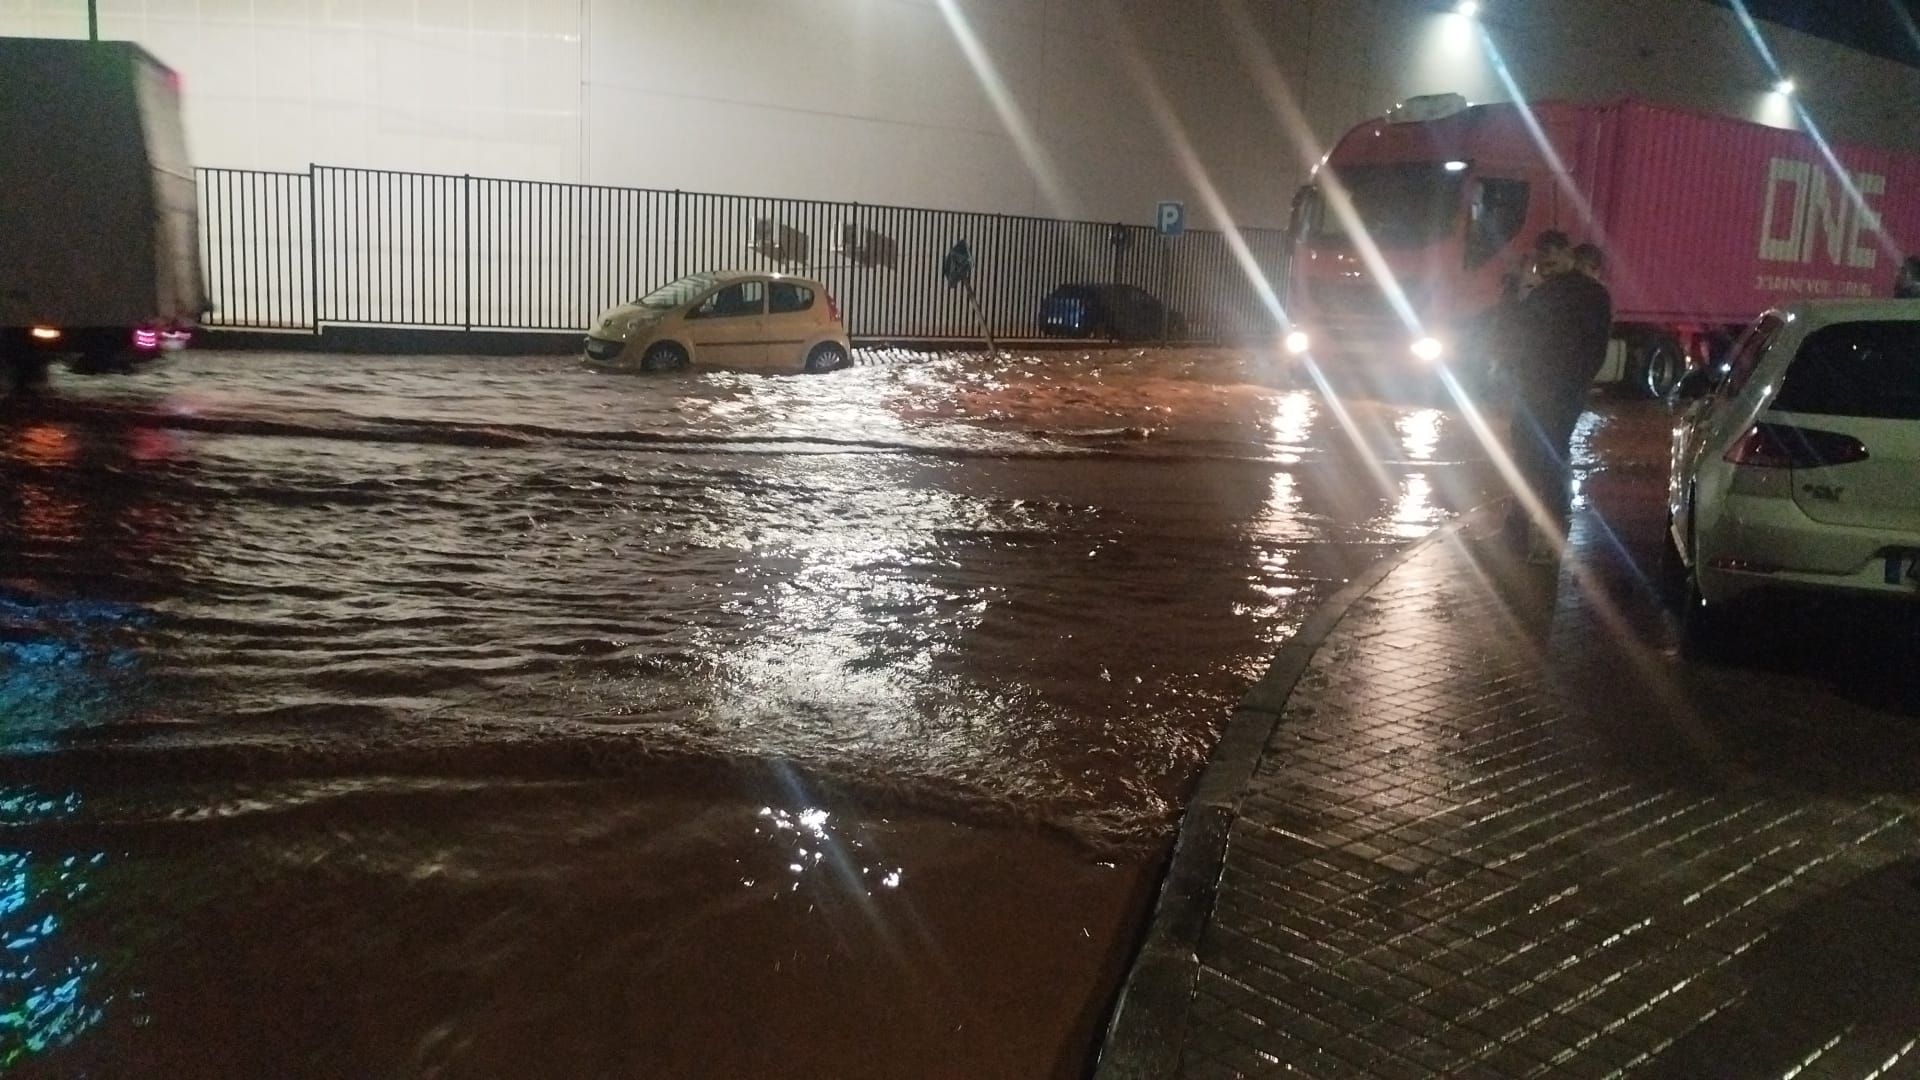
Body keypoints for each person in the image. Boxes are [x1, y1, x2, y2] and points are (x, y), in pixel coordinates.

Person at [1504, 240, 1613, 563]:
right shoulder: (1594, 296)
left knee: (1530, 456)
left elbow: (1515, 332)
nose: (1545, 269)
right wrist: (1578, 384)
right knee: (1551, 456)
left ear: (1568, 258)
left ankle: (1521, 529)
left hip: (1537, 387)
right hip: (1561, 391)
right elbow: (1596, 350)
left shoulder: (1548, 293)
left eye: (1549, 263)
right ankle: (1546, 535)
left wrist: (1513, 289)